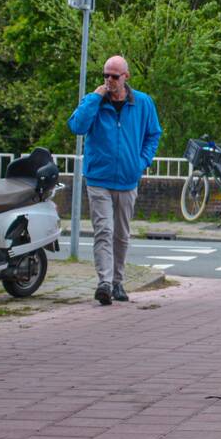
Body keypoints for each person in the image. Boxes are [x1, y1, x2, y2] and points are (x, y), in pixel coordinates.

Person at [68, 55, 161, 306]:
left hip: (128, 179)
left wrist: (141, 162)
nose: (109, 80)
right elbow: (76, 126)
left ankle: (118, 281)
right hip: (99, 178)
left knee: (121, 234)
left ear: (126, 77)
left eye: (114, 76)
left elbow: (154, 134)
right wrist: (94, 98)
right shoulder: (95, 102)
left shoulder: (142, 103)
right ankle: (104, 283)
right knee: (104, 230)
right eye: (105, 75)